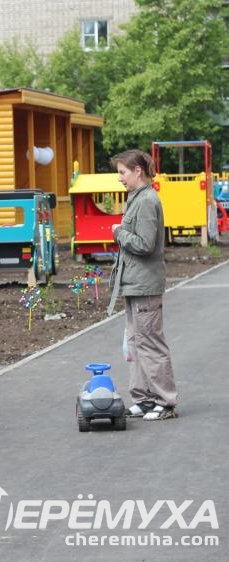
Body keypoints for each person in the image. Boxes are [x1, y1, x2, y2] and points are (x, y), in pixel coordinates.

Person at [107, 149, 178, 421]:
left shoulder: (147, 200)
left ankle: (165, 402)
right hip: (134, 283)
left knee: (150, 343)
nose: (120, 179)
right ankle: (144, 398)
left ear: (138, 171)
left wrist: (118, 233)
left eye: (122, 173)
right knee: (136, 343)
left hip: (145, 284)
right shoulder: (136, 198)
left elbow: (145, 245)